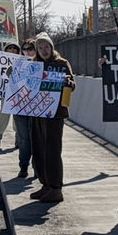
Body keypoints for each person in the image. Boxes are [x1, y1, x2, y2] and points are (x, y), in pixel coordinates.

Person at [28, 32, 74, 206]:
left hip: (55, 114)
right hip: (36, 112)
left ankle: (56, 188)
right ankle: (45, 184)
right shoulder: (34, 65)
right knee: (39, 150)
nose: (44, 50)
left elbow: (72, 85)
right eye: (40, 47)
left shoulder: (61, 64)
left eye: (46, 47)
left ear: (52, 47)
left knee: (52, 150)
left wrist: (66, 82)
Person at [0, 42, 21, 152]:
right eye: (10, 48)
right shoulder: (1, 61)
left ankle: (18, 140)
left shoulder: (22, 61)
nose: (12, 50)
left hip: (19, 93)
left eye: (14, 48)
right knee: (3, 115)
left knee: (17, 118)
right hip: (6, 92)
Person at [14, 37, 36, 180]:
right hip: (20, 107)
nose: (27, 52)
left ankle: (37, 167)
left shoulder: (44, 65)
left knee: (37, 139)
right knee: (24, 139)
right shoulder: (17, 64)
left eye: (30, 49)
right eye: (25, 49)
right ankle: (23, 166)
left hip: (39, 108)